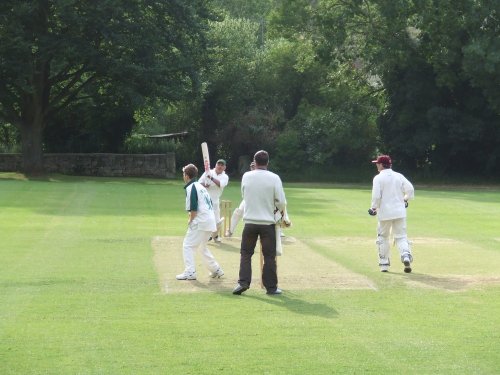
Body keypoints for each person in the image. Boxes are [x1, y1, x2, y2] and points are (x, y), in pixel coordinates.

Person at [232, 150, 287, 295]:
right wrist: (280, 213)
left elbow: (244, 195)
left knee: (245, 253)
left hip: (249, 222)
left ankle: (243, 283)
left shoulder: (246, 176)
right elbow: (281, 201)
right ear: (268, 162)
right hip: (267, 223)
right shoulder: (274, 178)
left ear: (254, 162)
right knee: (269, 256)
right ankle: (271, 288)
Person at [176, 164, 224, 280]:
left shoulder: (191, 187)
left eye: (184, 174)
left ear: (187, 176)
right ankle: (216, 269)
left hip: (201, 221)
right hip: (210, 221)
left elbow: (193, 208)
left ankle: (190, 272)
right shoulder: (201, 186)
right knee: (202, 247)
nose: (183, 176)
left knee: (187, 245)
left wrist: (191, 221)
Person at [369, 155, 415, 273]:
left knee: (383, 237)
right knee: (401, 236)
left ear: (381, 165)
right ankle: (405, 255)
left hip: (384, 213)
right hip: (399, 212)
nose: (376, 165)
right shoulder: (398, 176)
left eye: (377, 164)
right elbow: (410, 189)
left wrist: (373, 208)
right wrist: (405, 199)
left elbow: (376, 196)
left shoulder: (378, 178)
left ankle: (384, 264)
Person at [200, 159, 229, 243]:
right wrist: (205, 185)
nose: (219, 166)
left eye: (222, 165)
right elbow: (199, 183)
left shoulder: (225, 176)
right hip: (205, 199)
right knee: (206, 218)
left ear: (224, 167)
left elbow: (220, 184)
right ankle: (207, 236)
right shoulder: (208, 172)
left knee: (217, 221)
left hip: (215, 200)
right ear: (215, 165)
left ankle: (215, 236)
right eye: (218, 164)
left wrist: (211, 178)